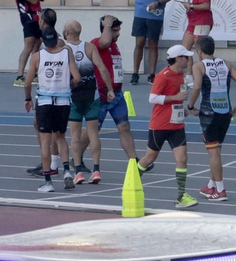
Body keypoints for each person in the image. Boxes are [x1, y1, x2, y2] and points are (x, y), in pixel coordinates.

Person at [136, 44, 198, 209]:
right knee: (149, 158)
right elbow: (153, 98)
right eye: (186, 57)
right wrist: (174, 97)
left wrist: (182, 109)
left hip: (177, 125)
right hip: (160, 125)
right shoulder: (163, 76)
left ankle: (181, 195)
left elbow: (180, 95)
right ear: (178, 58)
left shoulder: (181, 75)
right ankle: (132, 181)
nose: (188, 59)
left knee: (182, 159)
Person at [185, 36, 236, 202]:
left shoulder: (199, 66)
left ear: (199, 50)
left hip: (208, 113)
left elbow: (197, 87)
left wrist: (190, 106)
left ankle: (220, 190)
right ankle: (212, 184)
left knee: (213, 153)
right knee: (216, 150)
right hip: (225, 112)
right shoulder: (226, 63)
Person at [84, 14, 139, 183]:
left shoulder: (114, 46)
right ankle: (76, 157)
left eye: (119, 30)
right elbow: (105, 41)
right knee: (92, 131)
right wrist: (107, 26)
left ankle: (134, 161)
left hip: (117, 95)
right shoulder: (96, 44)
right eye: (115, 30)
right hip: (101, 96)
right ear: (106, 30)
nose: (118, 34)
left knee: (124, 127)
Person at [23, 28, 76, 192]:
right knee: (61, 137)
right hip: (63, 101)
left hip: (45, 101)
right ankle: (67, 171)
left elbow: (27, 82)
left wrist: (28, 99)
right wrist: (68, 86)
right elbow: (78, 78)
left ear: (42, 40)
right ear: (57, 38)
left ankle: (48, 182)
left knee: (45, 142)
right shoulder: (67, 54)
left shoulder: (37, 56)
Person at [113, 0, 173, 84]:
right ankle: (135, 73)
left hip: (156, 14)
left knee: (153, 43)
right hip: (140, 13)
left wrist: (158, 3)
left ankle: (152, 73)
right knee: (139, 43)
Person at [62, 20, 104, 185]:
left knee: (75, 136)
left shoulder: (63, 49)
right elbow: (101, 67)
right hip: (91, 95)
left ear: (66, 32)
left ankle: (78, 171)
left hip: (73, 97)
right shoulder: (89, 47)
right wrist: (107, 88)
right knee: (93, 134)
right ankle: (96, 169)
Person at [12, 0, 50, 87]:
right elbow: (33, 0)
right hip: (28, 18)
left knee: (36, 48)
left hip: (37, 18)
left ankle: (33, 74)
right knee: (28, 47)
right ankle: (19, 76)